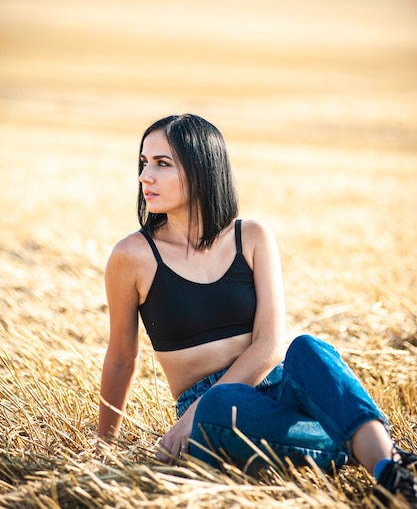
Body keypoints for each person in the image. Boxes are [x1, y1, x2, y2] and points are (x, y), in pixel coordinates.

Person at [98, 114, 417, 507]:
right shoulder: (132, 256)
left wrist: (194, 412)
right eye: (144, 162)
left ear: (201, 168)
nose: (146, 175)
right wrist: (104, 451)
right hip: (218, 413)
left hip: (281, 388)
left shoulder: (251, 237)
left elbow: (269, 347)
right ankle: (362, 443)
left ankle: (391, 473)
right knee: (219, 402)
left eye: (162, 164)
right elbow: (120, 358)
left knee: (308, 348)